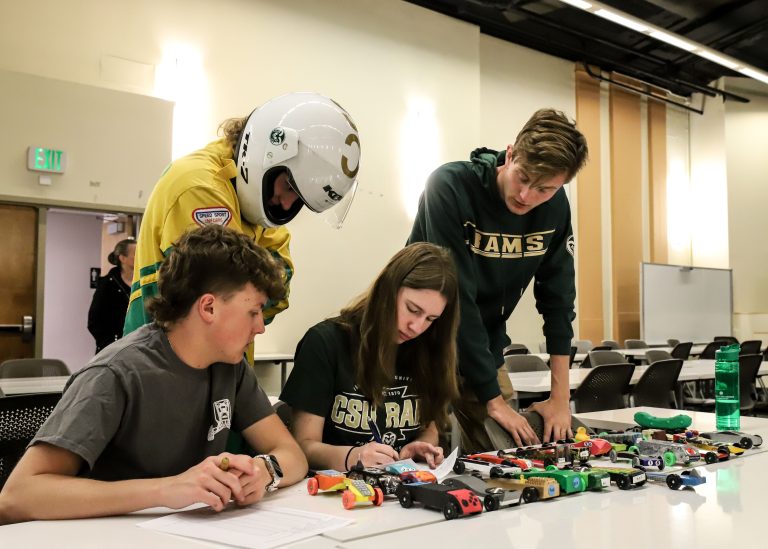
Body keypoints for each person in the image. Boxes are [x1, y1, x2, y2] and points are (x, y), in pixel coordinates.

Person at [0, 224, 308, 524]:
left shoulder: (231, 368)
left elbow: (292, 455)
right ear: (209, 307)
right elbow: (17, 496)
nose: (260, 327)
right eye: (253, 312)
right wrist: (166, 490)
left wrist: (265, 470)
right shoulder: (115, 373)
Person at [407, 108, 588, 451]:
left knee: (514, 453)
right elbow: (458, 296)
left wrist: (560, 399)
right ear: (510, 154)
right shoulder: (449, 187)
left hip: (483, 349)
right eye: (523, 178)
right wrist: (493, 399)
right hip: (418, 344)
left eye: (544, 189)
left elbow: (559, 301)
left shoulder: (556, 208)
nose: (526, 196)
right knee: (419, 457)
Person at [124, 92, 361, 336]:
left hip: (216, 367)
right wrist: (257, 284)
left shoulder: (252, 203)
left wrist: (256, 287)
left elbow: (279, 289)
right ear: (265, 154)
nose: (288, 205)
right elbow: (225, 304)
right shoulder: (199, 186)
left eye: (300, 199)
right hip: (164, 364)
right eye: (289, 186)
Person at [280, 243, 459, 471]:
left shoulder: (429, 347)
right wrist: (353, 457)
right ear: (388, 290)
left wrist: (420, 445)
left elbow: (431, 427)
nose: (416, 327)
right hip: (335, 491)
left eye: (431, 319)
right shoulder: (325, 343)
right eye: (412, 309)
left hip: (400, 487)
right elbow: (303, 447)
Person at [87, 238, 136, 353]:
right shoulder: (107, 285)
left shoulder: (144, 283)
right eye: (136, 253)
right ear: (122, 258)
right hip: (112, 350)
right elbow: (94, 321)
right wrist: (111, 345)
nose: (141, 256)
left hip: (138, 348)